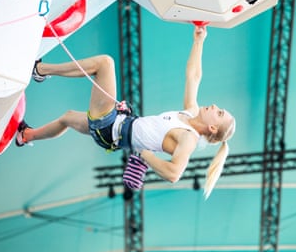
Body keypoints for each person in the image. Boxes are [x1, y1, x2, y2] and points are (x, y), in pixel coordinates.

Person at [15, 26, 236, 199]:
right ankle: (26, 136)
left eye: (219, 113)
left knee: (105, 64)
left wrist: (145, 155)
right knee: (68, 117)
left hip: (110, 128)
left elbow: (174, 174)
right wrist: (199, 41)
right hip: (116, 126)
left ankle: (40, 70)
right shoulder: (190, 113)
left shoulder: (188, 138)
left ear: (213, 128)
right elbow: (194, 76)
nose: (215, 107)